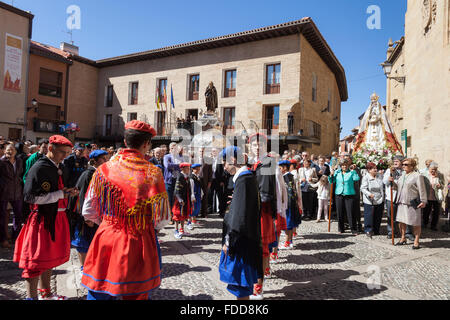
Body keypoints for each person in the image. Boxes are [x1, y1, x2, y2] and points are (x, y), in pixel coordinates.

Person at [80, 120, 169, 300]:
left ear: (125, 141)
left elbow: (89, 209)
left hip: (108, 234)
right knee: (136, 292)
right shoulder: (153, 172)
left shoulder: (103, 169)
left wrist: (109, 222)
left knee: (100, 287)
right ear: (146, 144)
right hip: (140, 237)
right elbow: (162, 217)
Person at [14, 135, 78, 300]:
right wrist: (59, 194)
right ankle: (31, 297)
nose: (65, 156)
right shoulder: (39, 167)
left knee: (49, 259)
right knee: (35, 262)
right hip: (42, 220)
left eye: (68, 152)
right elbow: (30, 197)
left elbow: (58, 192)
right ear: (50, 149)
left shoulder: (60, 167)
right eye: (62, 152)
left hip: (58, 218)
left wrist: (69, 192)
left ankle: (46, 293)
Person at [219, 146, 262, 300]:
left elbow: (239, 218)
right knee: (242, 286)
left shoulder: (244, 180)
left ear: (233, 160)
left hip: (241, 243)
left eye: (225, 162)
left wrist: (229, 241)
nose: (224, 166)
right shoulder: (247, 177)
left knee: (241, 286)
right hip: (247, 239)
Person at [67, 150, 108, 271]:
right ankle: (84, 267)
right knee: (83, 242)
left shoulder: (98, 173)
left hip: (94, 214)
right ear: (95, 161)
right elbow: (82, 196)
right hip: (86, 216)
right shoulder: (89, 174)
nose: (106, 161)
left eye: (106, 158)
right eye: (103, 159)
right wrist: (86, 217)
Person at [248, 133, 277, 300]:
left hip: (261, 211)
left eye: (260, 145)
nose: (257, 147)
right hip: (251, 211)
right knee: (253, 249)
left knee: (261, 250)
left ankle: (258, 287)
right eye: (254, 145)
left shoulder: (267, 162)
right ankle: (256, 279)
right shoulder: (251, 163)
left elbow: (265, 193)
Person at [394, 158, 427, 249]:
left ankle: (416, 241)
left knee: (415, 222)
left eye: (406, 164)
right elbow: (398, 187)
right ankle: (403, 238)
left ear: (412, 166)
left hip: (412, 202)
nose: (403, 166)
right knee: (401, 221)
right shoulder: (402, 175)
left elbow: (422, 189)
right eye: (403, 164)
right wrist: (392, 183)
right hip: (401, 201)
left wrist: (423, 201)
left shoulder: (417, 175)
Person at [383, 156, 415, 241]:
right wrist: (388, 179)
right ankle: (391, 231)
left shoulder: (405, 171)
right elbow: (385, 182)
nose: (395, 163)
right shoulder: (389, 171)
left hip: (403, 197)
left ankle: (407, 233)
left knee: (405, 215)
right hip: (391, 197)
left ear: (401, 162)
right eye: (394, 161)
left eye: (397, 161)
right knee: (391, 215)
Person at [0, 144, 24, 247]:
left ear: (15, 151)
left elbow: (20, 174)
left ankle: (16, 237)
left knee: (18, 216)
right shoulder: (1, 162)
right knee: (2, 216)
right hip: (3, 192)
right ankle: (3, 239)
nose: (11, 152)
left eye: (12, 150)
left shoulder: (19, 161)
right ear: (4, 151)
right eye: (8, 150)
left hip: (17, 192)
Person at [329, 159, 360, 235]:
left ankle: (353, 229)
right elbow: (332, 181)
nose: (344, 166)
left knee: (350, 213)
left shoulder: (351, 172)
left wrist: (353, 171)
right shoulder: (337, 172)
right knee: (340, 212)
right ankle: (341, 228)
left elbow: (356, 179)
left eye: (345, 165)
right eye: (342, 165)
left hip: (349, 194)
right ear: (340, 166)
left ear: (348, 165)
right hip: (339, 194)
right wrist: (331, 175)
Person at [278, 160, 301, 250]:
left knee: (288, 223)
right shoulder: (291, 176)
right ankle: (290, 241)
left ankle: (287, 242)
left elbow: (287, 192)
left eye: (280, 168)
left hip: (288, 204)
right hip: (293, 203)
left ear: (284, 168)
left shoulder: (285, 178)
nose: (279, 170)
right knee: (290, 223)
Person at [361, 162, 384, 237]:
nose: (375, 169)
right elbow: (363, 188)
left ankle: (376, 229)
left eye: (375, 168)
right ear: (369, 170)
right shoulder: (366, 177)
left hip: (379, 198)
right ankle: (368, 230)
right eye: (373, 168)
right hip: (370, 199)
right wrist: (369, 194)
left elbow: (383, 186)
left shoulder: (380, 176)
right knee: (369, 215)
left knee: (378, 215)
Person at [422, 162, 445, 231]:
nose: (433, 171)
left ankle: (433, 225)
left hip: (436, 197)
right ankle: (425, 223)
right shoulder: (425, 175)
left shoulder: (440, 175)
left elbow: (443, 185)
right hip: (428, 196)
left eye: (435, 169)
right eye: (432, 169)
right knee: (426, 211)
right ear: (429, 169)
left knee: (436, 212)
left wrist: (440, 185)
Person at [172, 163, 193, 239]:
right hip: (179, 200)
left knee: (183, 215)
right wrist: (180, 199)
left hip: (186, 199)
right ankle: (176, 230)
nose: (189, 169)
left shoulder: (187, 177)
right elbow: (176, 190)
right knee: (178, 215)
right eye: (187, 168)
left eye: (189, 168)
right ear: (182, 169)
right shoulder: (179, 176)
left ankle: (182, 230)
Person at [164, 142, 181, 224]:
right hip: (169, 181)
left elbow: (183, 166)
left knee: (177, 198)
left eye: (175, 148)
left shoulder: (180, 157)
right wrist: (178, 165)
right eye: (172, 148)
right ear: (170, 149)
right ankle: (170, 217)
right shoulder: (166, 156)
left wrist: (175, 165)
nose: (174, 149)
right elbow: (167, 166)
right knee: (169, 199)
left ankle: (176, 215)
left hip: (178, 180)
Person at [196, 147, 213, 218]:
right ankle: (195, 213)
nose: (201, 152)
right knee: (196, 196)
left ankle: (204, 213)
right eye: (200, 151)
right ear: (198, 152)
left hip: (205, 180)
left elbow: (210, 172)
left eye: (202, 151)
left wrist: (210, 181)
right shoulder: (194, 159)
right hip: (196, 180)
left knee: (205, 196)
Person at [188, 164, 203, 229]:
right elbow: (191, 187)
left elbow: (200, 185)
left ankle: (194, 220)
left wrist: (201, 192)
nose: (198, 170)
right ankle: (189, 223)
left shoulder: (197, 176)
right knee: (192, 208)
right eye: (197, 169)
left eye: (199, 169)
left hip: (198, 194)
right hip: (194, 194)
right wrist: (192, 195)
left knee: (197, 207)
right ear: (193, 169)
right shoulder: (191, 177)